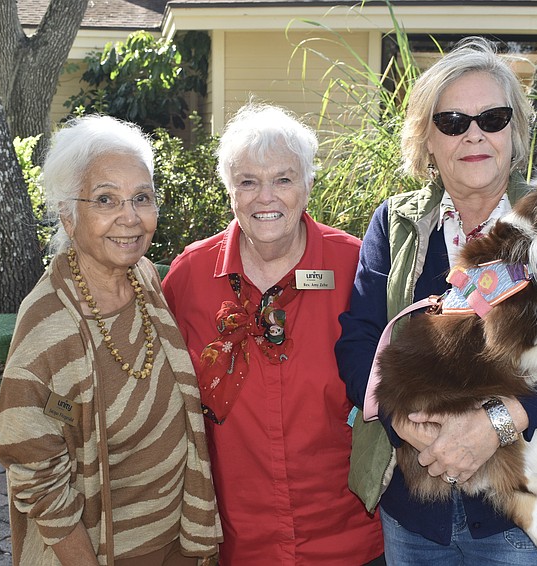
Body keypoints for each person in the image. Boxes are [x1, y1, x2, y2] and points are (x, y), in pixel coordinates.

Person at [335, 37, 537, 564]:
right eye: (452, 122)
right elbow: (359, 340)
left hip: (520, 516)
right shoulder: (394, 224)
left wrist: (499, 422)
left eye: (492, 118)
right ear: (427, 140)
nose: (474, 134)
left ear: (515, 133)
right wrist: (407, 423)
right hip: (415, 512)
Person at [162, 102, 384, 565]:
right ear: (229, 190)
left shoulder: (355, 267)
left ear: (307, 185)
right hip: (238, 542)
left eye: (283, 179)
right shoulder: (190, 277)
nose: (266, 197)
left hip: (351, 540)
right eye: (248, 182)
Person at [0, 115, 221, 566]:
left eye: (142, 197)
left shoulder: (144, 278)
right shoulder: (48, 325)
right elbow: (36, 476)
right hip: (103, 551)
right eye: (105, 199)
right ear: (68, 215)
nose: (130, 217)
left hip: (177, 539)